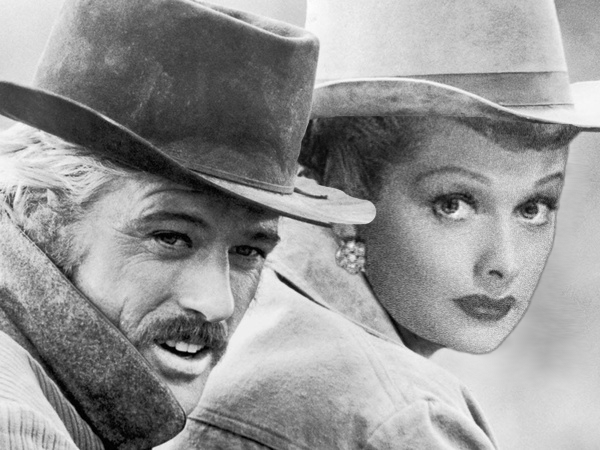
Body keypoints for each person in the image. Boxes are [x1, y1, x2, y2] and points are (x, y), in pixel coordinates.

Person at [166, 0, 600, 449]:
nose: (503, 264)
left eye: (533, 208)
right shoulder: (398, 416)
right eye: (453, 205)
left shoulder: (250, 318)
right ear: (339, 192)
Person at [0, 0, 375, 448]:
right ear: (41, 210)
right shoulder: (16, 424)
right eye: (171, 237)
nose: (217, 304)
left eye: (248, 251)